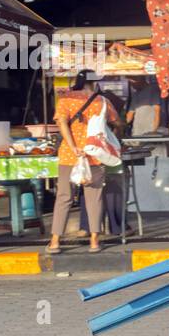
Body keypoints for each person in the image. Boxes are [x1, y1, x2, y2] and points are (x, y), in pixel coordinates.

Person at [48, 71, 118, 254]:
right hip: (95, 154)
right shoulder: (103, 102)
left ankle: (55, 242)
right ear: (95, 83)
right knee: (94, 198)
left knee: (64, 197)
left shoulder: (65, 99)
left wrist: (72, 147)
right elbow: (117, 122)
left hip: (69, 156)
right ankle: (94, 241)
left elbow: (62, 123)